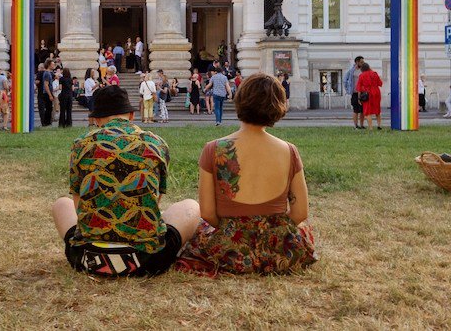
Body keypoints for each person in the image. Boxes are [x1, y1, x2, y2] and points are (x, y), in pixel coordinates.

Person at [50, 85, 199, 278]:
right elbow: (155, 199)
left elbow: (79, 207)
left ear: (97, 119)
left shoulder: (81, 144)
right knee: (191, 206)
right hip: (147, 261)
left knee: (62, 204)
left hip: (89, 258)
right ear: (131, 115)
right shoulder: (156, 143)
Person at [176, 73, 317, 277]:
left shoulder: (213, 149)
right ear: (278, 106)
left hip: (229, 250)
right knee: (303, 230)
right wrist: (272, 232)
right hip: (277, 250)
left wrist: (234, 231)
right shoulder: (289, 151)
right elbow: (300, 213)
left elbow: (207, 213)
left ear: (240, 100)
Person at [356, 61, 383, 130]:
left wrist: (359, 98)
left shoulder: (361, 75)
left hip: (367, 94)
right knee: (377, 110)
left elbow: (359, 88)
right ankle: (379, 126)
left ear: (362, 69)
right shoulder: (374, 73)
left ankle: (371, 127)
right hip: (376, 93)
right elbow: (380, 83)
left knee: (368, 111)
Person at [343, 56, 363, 129]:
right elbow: (345, 80)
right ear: (357, 62)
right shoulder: (351, 70)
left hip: (362, 93)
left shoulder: (363, 70)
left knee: (362, 110)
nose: (362, 63)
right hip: (354, 93)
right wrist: (348, 90)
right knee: (355, 110)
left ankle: (362, 125)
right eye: (361, 62)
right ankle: (356, 125)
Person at [38, 61, 55, 127]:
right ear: (49, 65)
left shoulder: (49, 73)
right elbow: (46, 85)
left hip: (48, 92)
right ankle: (46, 123)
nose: (54, 65)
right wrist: (50, 95)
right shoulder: (47, 73)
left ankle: (47, 123)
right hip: (47, 93)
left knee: (49, 108)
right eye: (52, 64)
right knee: (48, 109)